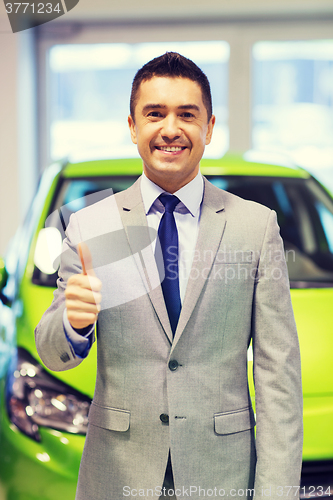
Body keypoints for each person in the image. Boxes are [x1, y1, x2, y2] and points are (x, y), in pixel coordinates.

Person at [35, 52, 303, 500]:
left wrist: (276, 492)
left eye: (187, 114)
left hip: (223, 474)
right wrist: (73, 323)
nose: (171, 128)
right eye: (155, 114)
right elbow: (52, 352)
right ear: (133, 126)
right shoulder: (92, 226)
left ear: (209, 127)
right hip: (117, 475)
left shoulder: (254, 227)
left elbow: (279, 373)